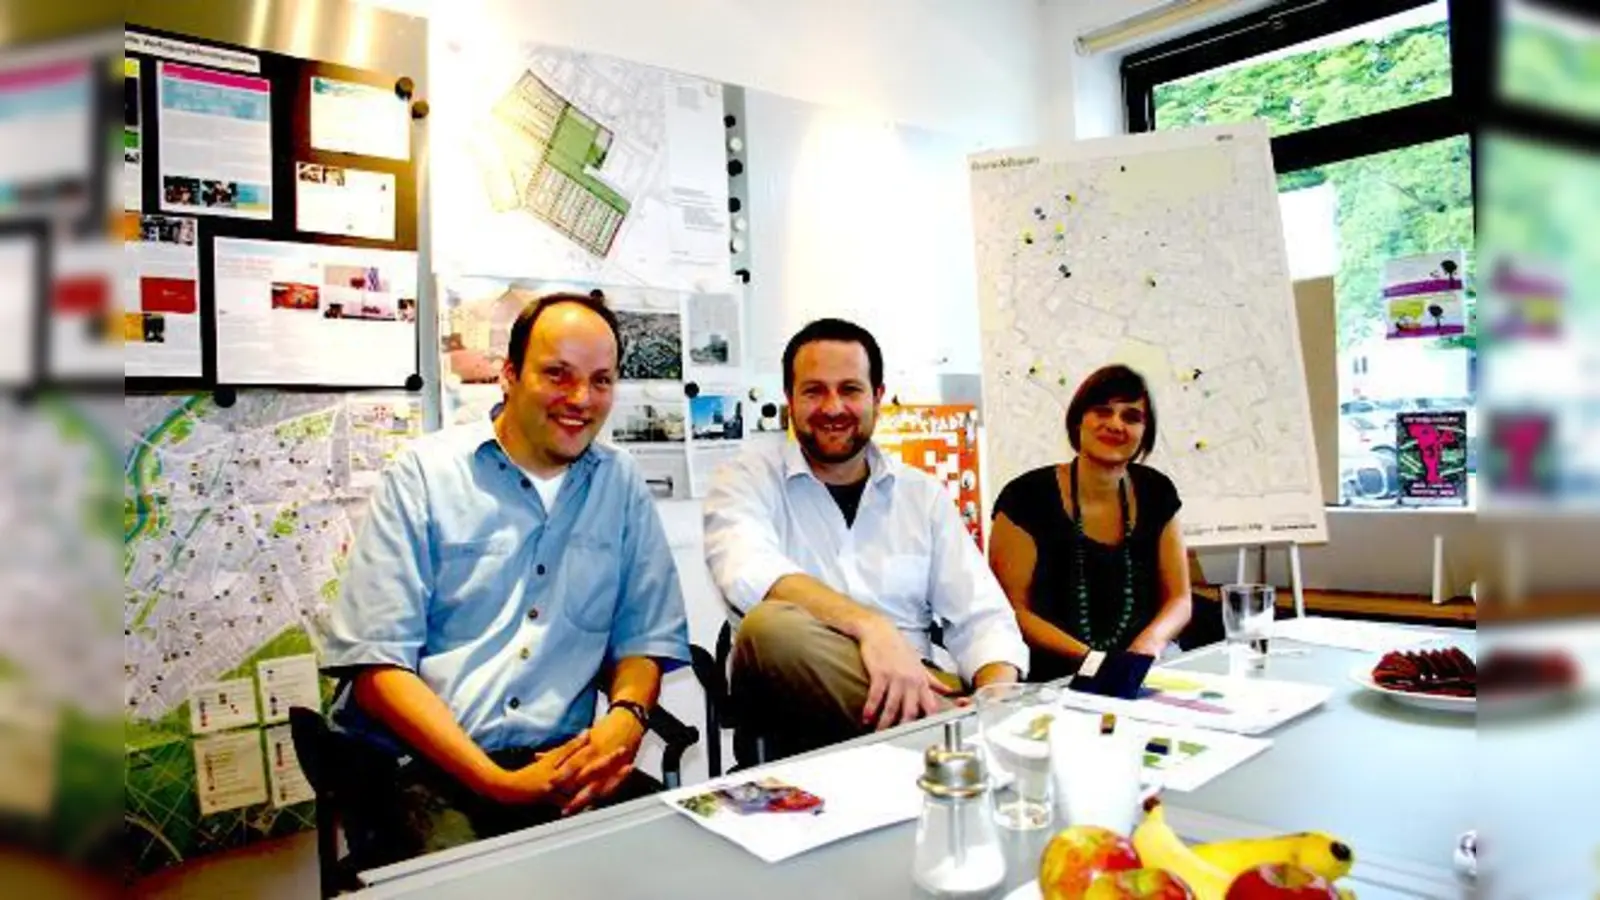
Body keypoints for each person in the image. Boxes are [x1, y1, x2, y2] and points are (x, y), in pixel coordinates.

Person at [317, 292, 690, 865]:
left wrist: (626, 720)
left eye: (601, 381)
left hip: (557, 760)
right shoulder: (425, 475)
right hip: (422, 766)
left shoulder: (620, 483)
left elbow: (644, 638)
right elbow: (376, 667)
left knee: (684, 864)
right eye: (557, 375)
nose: (580, 400)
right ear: (509, 375)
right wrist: (494, 781)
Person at [703, 318, 1028, 758]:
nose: (833, 407)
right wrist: (872, 628)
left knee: (1000, 693)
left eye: (850, 389)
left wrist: (995, 699)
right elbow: (748, 572)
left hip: (922, 687)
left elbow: (983, 617)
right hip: (796, 718)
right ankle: (954, 743)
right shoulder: (744, 480)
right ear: (789, 400)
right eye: (814, 390)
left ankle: (964, 735)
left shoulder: (921, 494)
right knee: (770, 627)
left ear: (877, 396)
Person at [987, 364, 1193, 682]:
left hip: (1143, 664)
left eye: (1131, 417)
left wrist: (1147, 646)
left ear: (1145, 432)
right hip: (1053, 674)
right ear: (1078, 420)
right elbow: (1013, 612)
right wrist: (1094, 662)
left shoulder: (1158, 491)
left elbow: (1179, 600)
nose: (1115, 424)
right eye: (1102, 411)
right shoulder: (1025, 497)